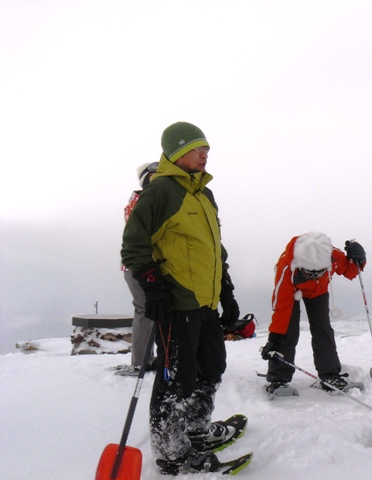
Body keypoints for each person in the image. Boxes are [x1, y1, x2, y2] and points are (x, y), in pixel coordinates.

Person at [121, 121, 243, 475]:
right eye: (196, 149)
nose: (204, 155)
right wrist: (153, 287)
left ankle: (195, 432)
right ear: (176, 152)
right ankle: (172, 453)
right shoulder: (160, 192)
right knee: (177, 379)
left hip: (206, 301)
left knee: (211, 368)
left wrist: (226, 290)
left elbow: (214, 247)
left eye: (206, 149)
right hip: (177, 304)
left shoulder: (203, 194)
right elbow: (133, 245)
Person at [260, 232, 367, 394]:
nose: (314, 276)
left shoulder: (333, 255)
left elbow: (350, 271)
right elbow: (281, 308)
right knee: (288, 329)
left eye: (320, 272)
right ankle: (278, 378)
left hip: (319, 292)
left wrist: (359, 258)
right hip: (292, 291)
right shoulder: (287, 268)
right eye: (309, 273)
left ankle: (329, 374)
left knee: (323, 329)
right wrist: (274, 339)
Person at [117, 162, 158, 376]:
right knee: (144, 310)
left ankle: (146, 359)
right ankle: (141, 361)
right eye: (153, 175)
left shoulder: (142, 199)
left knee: (148, 309)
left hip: (140, 265)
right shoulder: (140, 202)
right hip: (139, 266)